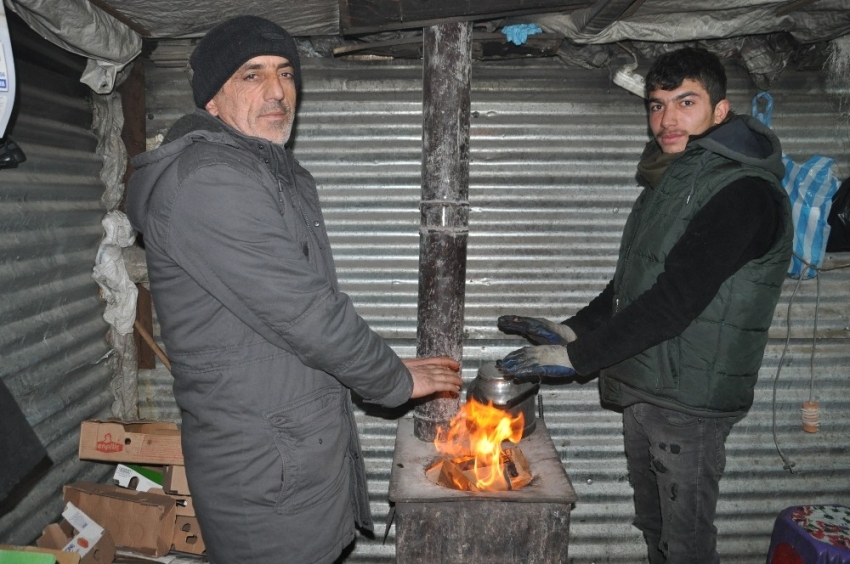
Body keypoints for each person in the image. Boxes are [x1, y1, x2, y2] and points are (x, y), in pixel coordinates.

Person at [125, 15, 462, 564]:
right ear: (212, 98)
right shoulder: (212, 182)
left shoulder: (268, 173)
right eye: (251, 75)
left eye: (285, 72)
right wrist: (391, 379)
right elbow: (308, 315)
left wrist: (381, 367)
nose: (277, 90)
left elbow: (283, 318)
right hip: (264, 469)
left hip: (289, 451)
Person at [496, 47, 793, 564]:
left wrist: (579, 359)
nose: (667, 120)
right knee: (654, 528)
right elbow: (631, 287)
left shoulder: (743, 192)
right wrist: (571, 331)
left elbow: (674, 301)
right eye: (657, 105)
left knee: (685, 546)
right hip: (650, 385)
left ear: (720, 112)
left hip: (688, 402)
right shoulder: (672, 183)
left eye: (685, 102)